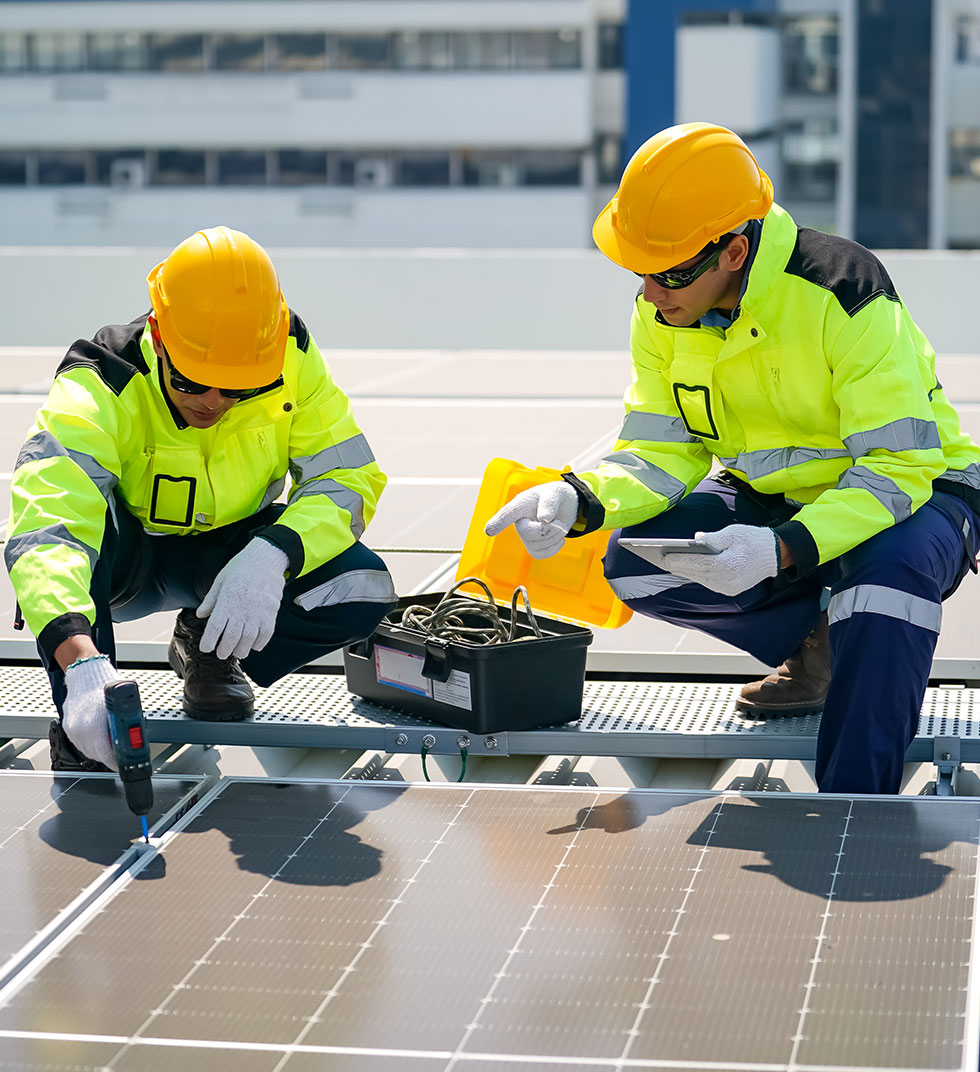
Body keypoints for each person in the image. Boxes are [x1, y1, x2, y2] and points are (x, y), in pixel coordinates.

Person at [486, 122, 980, 795]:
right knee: (635, 564)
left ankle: (857, 807)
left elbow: (899, 467)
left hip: (916, 497)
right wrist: (580, 498)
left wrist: (783, 549)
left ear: (734, 251)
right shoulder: (664, 313)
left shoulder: (845, 291)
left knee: (883, 587)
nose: (650, 292)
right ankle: (819, 648)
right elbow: (663, 447)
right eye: (640, 270)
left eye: (668, 272)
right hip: (778, 499)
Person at [6, 225, 396, 772]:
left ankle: (207, 646)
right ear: (159, 337)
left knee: (361, 588)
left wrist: (275, 552)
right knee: (74, 547)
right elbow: (50, 523)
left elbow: (347, 477)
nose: (214, 401)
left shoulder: (290, 358)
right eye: (193, 382)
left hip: (233, 558)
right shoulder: (101, 379)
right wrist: (78, 662)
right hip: (129, 561)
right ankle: (88, 711)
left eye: (237, 387)